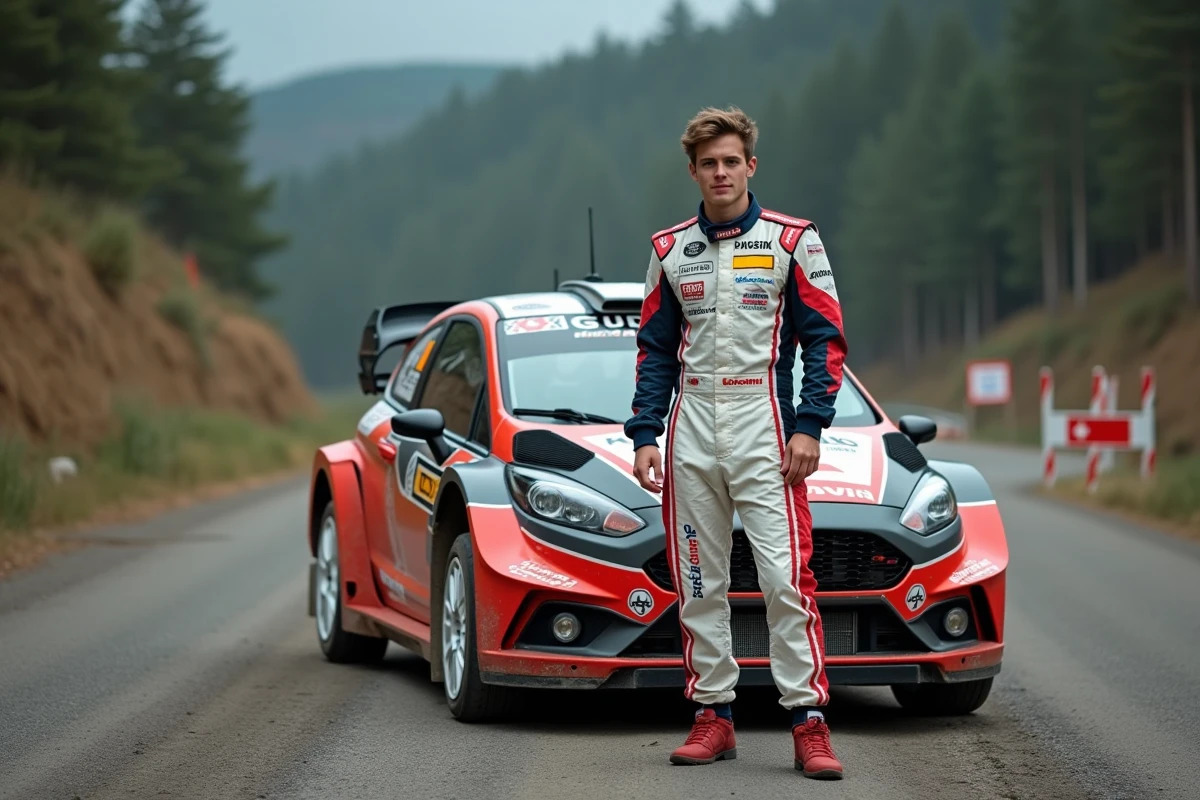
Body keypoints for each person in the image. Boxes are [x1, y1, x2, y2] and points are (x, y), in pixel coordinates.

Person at [624, 106, 848, 780]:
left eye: (731, 161)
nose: (720, 173)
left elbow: (826, 338)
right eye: (708, 164)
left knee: (785, 578)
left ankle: (808, 722)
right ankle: (713, 716)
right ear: (692, 171)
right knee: (698, 579)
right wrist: (644, 434)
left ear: (751, 165)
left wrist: (810, 424)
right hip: (692, 421)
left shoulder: (793, 240)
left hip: (764, 421)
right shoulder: (669, 248)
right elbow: (654, 351)